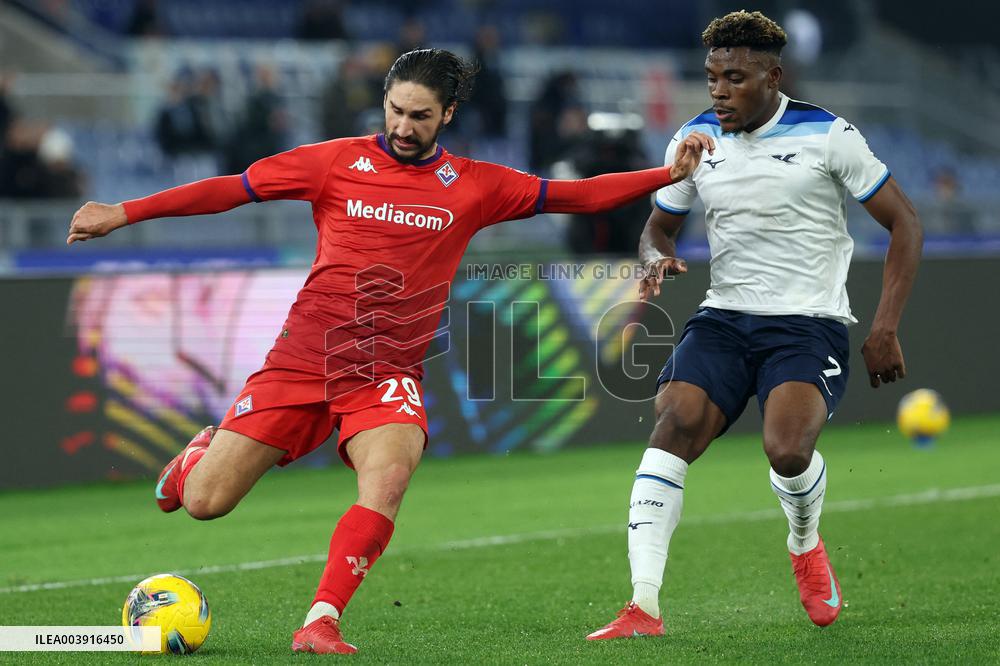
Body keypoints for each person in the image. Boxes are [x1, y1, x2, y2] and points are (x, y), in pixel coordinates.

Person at [66, 48, 714, 654]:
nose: (405, 126)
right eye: (397, 110)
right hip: (301, 362)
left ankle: (321, 619)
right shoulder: (332, 162)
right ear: (385, 102)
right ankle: (194, 462)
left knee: (388, 481)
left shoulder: (475, 185)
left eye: (421, 116)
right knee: (207, 502)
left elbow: (574, 195)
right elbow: (231, 189)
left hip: (386, 372)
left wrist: (666, 175)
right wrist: (123, 212)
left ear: (447, 116)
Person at [586, 10, 922, 640]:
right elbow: (657, 225)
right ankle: (643, 606)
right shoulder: (694, 139)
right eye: (711, 78)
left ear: (773, 76)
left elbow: (905, 222)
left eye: (734, 78)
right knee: (674, 421)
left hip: (807, 324)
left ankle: (804, 543)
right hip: (725, 318)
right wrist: (654, 255)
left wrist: (884, 327)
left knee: (788, 451)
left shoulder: (829, 136)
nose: (718, 92)